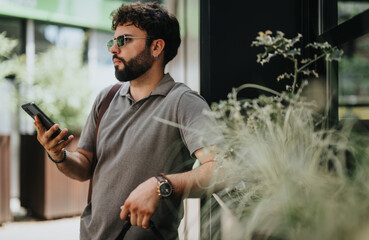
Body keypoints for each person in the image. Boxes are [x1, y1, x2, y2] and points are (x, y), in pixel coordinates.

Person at [34, 2, 217, 239]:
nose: (113, 49)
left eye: (124, 40)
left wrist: (160, 185)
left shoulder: (183, 101)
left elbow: (221, 169)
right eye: (113, 41)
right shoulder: (106, 98)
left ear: (156, 47)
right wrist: (58, 154)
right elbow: (84, 166)